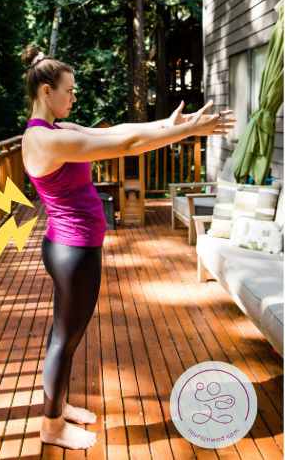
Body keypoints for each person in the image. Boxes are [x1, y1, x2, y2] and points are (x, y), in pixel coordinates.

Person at [18, 45, 235, 450]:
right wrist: (187, 132)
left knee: (63, 335)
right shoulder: (47, 141)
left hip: (66, 246)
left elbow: (116, 132)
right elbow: (129, 145)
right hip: (74, 251)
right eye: (69, 90)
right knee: (66, 338)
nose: (74, 96)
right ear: (47, 91)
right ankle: (51, 426)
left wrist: (169, 123)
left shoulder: (52, 131)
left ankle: (58, 406)